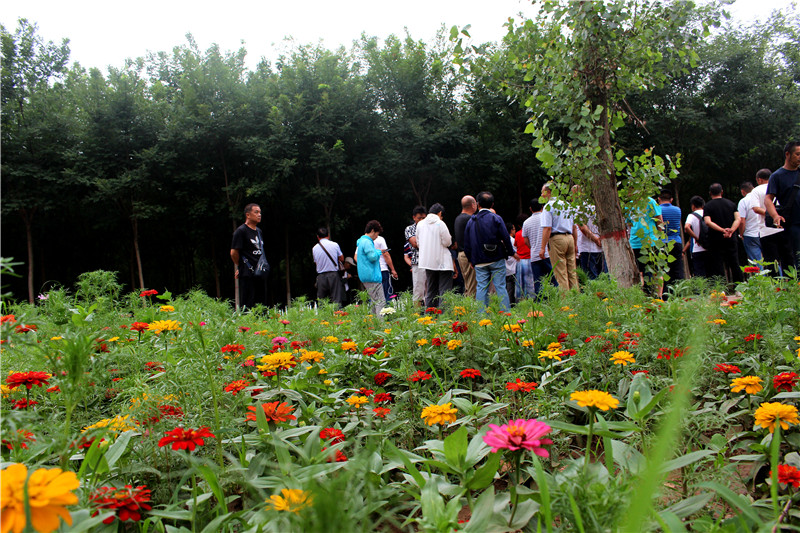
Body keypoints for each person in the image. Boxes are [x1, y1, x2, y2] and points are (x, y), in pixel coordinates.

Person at [463, 191, 515, 311]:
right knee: (500, 286)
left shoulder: (472, 221)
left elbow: (466, 244)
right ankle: (505, 314)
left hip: (479, 261)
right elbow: (506, 237)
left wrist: (471, 260)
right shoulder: (496, 218)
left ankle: (482, 316)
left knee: (481, 287)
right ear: (492, 204)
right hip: (497, 258)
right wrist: (511, 252)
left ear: (478, 204)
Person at [765, 141, 800, 271]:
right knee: (796, 257)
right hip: (793, 224)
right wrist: (775, 216)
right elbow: (768, 199)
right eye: (797, 154)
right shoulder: (777, 176)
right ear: (787, 154)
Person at [752, 168, 794, 275]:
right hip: (783, 226)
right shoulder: (779, 186)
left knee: (770, 261)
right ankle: (791, 282)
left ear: (759, 179)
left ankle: (775, 284)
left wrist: (770, 214)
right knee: (788, 259)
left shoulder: (756, 190)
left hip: (766, 230)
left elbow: (756, 208)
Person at [540, 182, 579, 291]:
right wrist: (575, 244)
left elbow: (547, 228)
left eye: (542, 192)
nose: (541, 195)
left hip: (557, 239)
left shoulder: (548, 206)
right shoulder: (567, 204)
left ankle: (565, 299)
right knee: (572, 271)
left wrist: (542, 247)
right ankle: (576, 295)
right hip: (570, 238)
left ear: (548, 192)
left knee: (560, 273)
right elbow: (574, 227)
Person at [417, 203, 456, 308]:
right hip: (443, 262)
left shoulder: (420, 224)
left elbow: (419, 243)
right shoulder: (440, 223)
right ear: (440, 213)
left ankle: (429, 314)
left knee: (431, 290)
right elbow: (447, 242)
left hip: (427, 262)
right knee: (444, 291)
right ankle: (444, 315)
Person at [230, 203, 268, 311]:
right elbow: (233, 252)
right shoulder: (241, 231)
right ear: (248, 215)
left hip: (260, 272)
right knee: (248, 304)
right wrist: (241, 266)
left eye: (260, 212)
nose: (259, 215)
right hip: (248, 273)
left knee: (261, 304)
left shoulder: (259, 231)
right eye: (256, 212)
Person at [704, 183, 743, 284]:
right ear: (722, 192)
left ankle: (721, 288)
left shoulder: (708, 206)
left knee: (717, 263)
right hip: (731, 238)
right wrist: (731, 230)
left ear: (710, 193)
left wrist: (722, 230)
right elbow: (738, 219)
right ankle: (739, 286)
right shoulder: (731, 204)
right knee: (734, 262)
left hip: (715, 239)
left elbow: (708, 222)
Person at [628, 193, 663, 297]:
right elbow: (629, 223)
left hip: (651, 242)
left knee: (655, 270)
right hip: (635, 243)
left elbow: (659, 220)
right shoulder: (629, 205)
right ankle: (644, 296)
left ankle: (658, 297)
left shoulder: (650, 201)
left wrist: (658, 237)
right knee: (639, 272)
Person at [355, 220, 389, 317]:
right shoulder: (367, 242)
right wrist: (378, 252)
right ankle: (380, 323)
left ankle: (373, 321)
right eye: (377, 234)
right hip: (372, 276)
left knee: (374, 301)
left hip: (365, 276)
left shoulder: (361, 241)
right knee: (381, 301)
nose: (377, 237)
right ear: (373, 231)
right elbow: (372, 257)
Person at [522, 199, 553, 297]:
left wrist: (533, 247)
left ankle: (540, 301)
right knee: (553, 279)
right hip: (548, 253)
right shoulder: (546, 218)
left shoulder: (526, 222)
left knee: (538, 282)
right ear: (542, 207)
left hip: (535, 256)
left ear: (530, 209)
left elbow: (526, 241)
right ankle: (555, 298)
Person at [658, 189, 685, 294]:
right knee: (677, 268)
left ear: (659, 199)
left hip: (663, 242)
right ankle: (679, 292)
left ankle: (665, 294)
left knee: (664, 270)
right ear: (671, 199)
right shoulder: (678, 210)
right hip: (676, 241)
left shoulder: (657, 210)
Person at [312, 227, 345, 306]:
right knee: (336, 300)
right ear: (328, 235)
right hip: (333, 275)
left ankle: (323, 314)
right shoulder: (335, 245)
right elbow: (342, 259)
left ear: (317, 237)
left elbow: (316, 263)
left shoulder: (314, 248)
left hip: (321, 277)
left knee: (322, 301)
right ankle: (337, 313)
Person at [453, 196, 478, 297]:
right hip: (469, 255)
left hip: (461, 255)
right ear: (473, 205)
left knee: (468, 285)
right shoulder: (469, 219)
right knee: (472, 286)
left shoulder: (458, 218)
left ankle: (467, 305)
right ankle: (471, 306)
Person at [404, 206, 428, 305]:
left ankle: (431, 312)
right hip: (417, 262)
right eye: (419, 218)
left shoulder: (430, 227)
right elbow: (414, 243)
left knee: (431, 290)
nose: (421, 220)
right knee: (418, 290)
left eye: (423, 218)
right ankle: (416, 313)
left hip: (430, 261)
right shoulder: (410, 229)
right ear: (414, 217)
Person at [737, 181, 763, 267]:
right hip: (763, 232)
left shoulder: (743, 202)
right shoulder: (761, 198)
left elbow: (742, 221)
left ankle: (760, 275)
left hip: (750, 234)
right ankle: (777, 274)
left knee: (756, 261)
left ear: (742, 191)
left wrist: (741, 234)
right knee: (771, 259)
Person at [683, 196, 707, 278]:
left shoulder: (691, 215)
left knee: (699, 275)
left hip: (697, 249)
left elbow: (687, 227)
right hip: (709, 247)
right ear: (703, 205)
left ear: (693, 206)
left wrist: (696, 238)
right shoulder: (708, 213)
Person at [373, 232, 398, 305]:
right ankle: (387, 310)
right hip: (382, 269)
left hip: (371, 271)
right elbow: (386, 254)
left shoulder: (363, 241)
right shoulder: (380, 239)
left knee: (374, 295)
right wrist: (393, 270)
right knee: (386, 293)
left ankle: (374, 311)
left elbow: (356, 257)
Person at [514, 214, 534, 298]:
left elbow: (516, 245)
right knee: (531, 282)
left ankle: (520, 299)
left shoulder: (518, 234)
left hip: (520, 261)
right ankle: (532, 298)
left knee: (519, 283)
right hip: (531, 259)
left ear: (519, 225)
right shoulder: (531, 232)